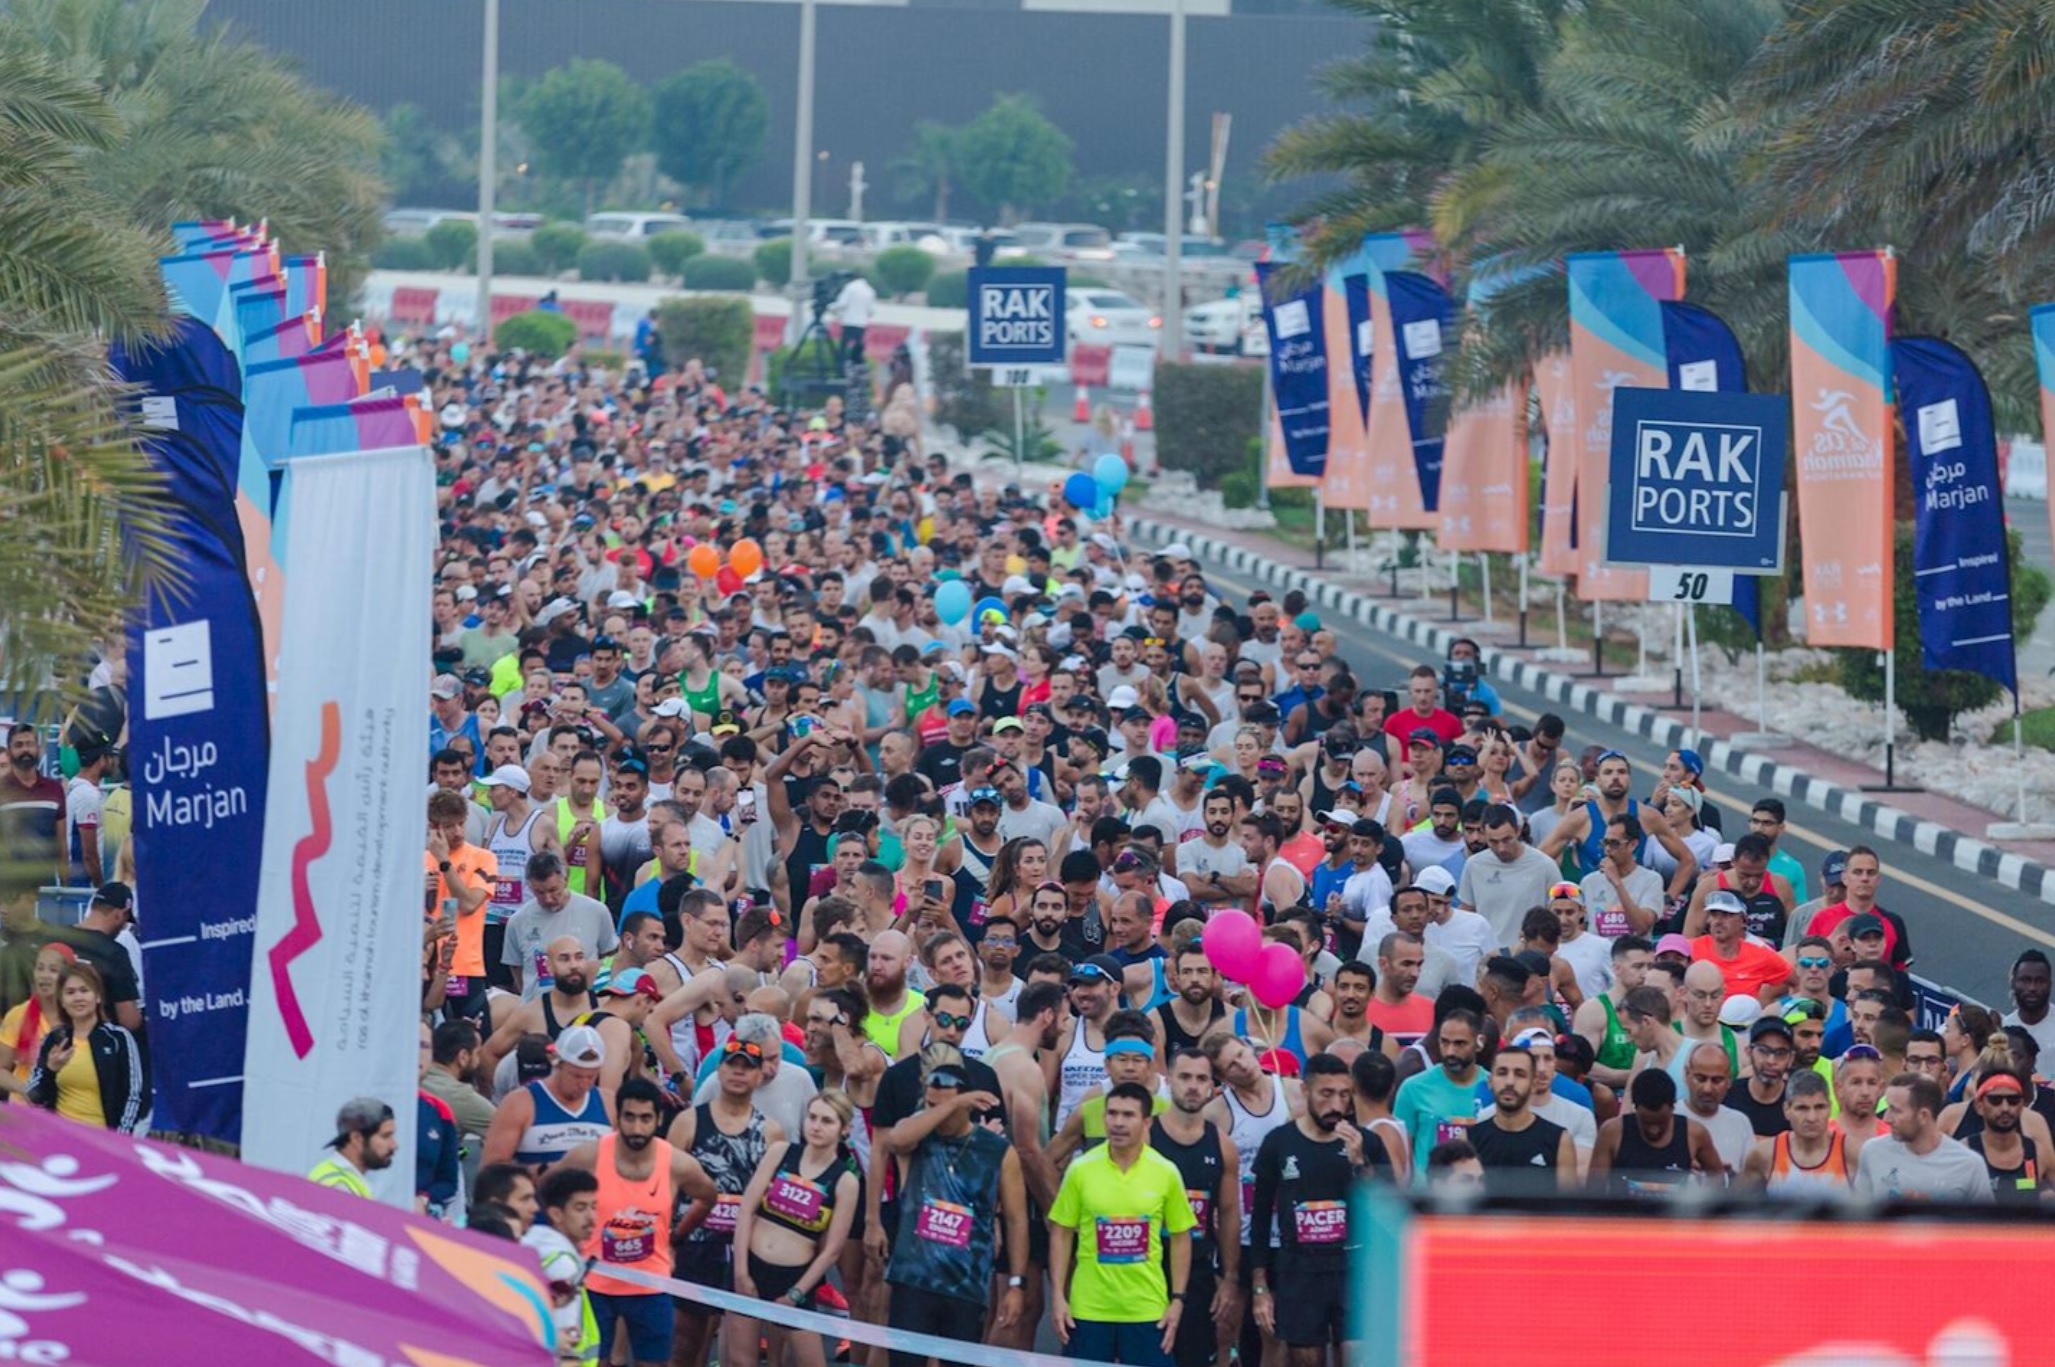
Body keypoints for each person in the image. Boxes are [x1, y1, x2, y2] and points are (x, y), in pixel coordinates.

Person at [881, 1044, 1029, 1367]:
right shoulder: (920, 1133)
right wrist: (951, 1104)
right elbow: (895, 1140)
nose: (939, 1112)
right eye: (931, 1104)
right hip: (913, 1279)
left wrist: (1016, 1283)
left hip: (966, 1284)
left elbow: (1018, 1220)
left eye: (946, 1106)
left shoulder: (998, 1151)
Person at [555, 1077, 715, 1367]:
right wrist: (565, 1242)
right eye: (629, 1117)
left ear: (659, 1119)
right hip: (594, 1283)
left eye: (645, 1118)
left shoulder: (677, 1164)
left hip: (650, 1284)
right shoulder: (589, 1155)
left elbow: (707, 1197)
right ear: (618, 1117)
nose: (637, 1128)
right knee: (590, 1363)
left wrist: (676, 1237)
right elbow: (549, 1190)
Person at [1247, 1054, 1384, 1366]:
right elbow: (1258, 1217)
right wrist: (1260, 1286)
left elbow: (1388, 1206)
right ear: (1306, 1092)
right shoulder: (1279, 1142)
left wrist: (1360, 1162)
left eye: (1344, 1094)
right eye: (1326, 1094)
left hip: (1354, 1270)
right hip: (1299, 1271)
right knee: (1306, 1359)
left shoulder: (1368, 1143)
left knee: (1357, 1358)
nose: (1336, 1105)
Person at [1048, 1080, 1196, 1366]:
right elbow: (1062, 1232)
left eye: (1128, 1115)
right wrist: (1057, 1295)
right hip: (1089, 1308)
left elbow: (1180, 1236)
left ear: (1146, 1122)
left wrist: (1177, 1299)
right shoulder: (1080, 1169)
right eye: (1112, 1114)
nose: (1117, 1122)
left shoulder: (1166, 1172)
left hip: (1146, 1308)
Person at [668, 1031, 787, 1367]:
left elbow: (773, 1198)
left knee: (738, 1351)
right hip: (694, 1243)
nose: (738, 1072)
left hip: (743, 1249)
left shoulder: (770, 1131)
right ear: (718, 1071)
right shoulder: (689, 1121)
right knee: (685, 1340)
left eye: (746, 1067)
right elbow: (666, 1184)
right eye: (731, 1065)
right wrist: (667, 1242)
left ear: (759, 1074)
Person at [731, 1092, 864, 1367]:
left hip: (794, 1279)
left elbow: (832, 1251)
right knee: (741, 1362)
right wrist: (740, 1272)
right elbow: (746, 1209)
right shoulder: (781, 1152)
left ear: (844, 1128)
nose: (816, 1126)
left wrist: (796, 1294)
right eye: (812, 1117)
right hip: (751, 1267)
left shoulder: (845, 1181)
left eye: (827, 1121)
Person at [1150, 1047, 1242, 1367]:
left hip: (1197, 1273)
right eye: (1185, 1077)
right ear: (1169, 1080)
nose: (1192, 1085)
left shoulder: (1223, 1147)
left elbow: (1230, 1214)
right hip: (1145, 1270)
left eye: (1201, 1078)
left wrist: (1229, 1278)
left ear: (1212, 1086)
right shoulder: (1145, 1136)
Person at [24, 960, 146, 1131]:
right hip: (61, 1141)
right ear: (62, 1001)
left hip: (104, 1141)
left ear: (97, 997)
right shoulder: (54, 1040)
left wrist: (120, 1139)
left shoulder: (118, 1038)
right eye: (70, 992)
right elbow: (33, 1097)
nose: (78, 998)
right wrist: (50, 1070)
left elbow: (133, 1096)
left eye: (84, 990)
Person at [480, 1023, 615, 1171]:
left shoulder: (609, 1103)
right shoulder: (519, 1103)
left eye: (591, 1076)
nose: (583, 1084)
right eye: (576, 1075)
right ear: (556, 1062)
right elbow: (491, 1169)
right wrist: (550, 1171)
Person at [1853, 1072, 1994, 1203]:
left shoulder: (1969, 1165)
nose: (1886, 1118)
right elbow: (1857, 1220)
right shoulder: (1873, 1152)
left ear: (1923, 1115)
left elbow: (1986, 1226)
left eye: (1895, 1110)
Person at [1589, 1068, 1722, 1193]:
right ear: (1635, 1108)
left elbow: (1717, 1176)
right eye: (1646, 1123)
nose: (1654, 1130)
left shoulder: (1694, 1133)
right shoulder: (1612, 1132)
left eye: (1661, 1123)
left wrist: (1703, 1207)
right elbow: (1594, 1191)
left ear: (1673, 1107)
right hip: (1625, 1216)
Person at [1467, 1033, 1574, 1190]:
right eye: (1502, 1073)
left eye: (1520, 1074)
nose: (1510, 1082)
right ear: (1490, 1082)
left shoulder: (1558, 1141)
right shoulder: (1469, 1140)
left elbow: (1569, 1208)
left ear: (1533, 1084)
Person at [1391, 1009, 1484, 1176]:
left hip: (1477, 1194)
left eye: (1460, 1044)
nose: (1450, 1052)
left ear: (1478, 1042)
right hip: (1427, 1195)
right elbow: (1400, 1152)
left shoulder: (1492, 1088)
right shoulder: (1413, 1088)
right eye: (1444, 1042)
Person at [527, 1165, 602, 1365]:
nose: (592, 1218)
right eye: (580, 1208)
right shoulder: (563, 1265)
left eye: (594, 1206)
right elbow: (566, 1344)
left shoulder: (533, 1245)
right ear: (556, 1214)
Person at [1739, 1070, 1849, 1195]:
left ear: (1829, 1108)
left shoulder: (1852, 1154)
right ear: (1787, 1110)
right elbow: (1737, 1207)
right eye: (1802, 1108)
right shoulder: (1764, 1155)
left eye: (1819, 1107)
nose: (1811, 1118)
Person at [306, 1096, 397, 1198]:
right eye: (385, 1136)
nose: (394, 1145)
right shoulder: (337, 1187)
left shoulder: (341, 1178)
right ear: (356, 1138)